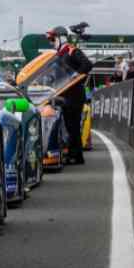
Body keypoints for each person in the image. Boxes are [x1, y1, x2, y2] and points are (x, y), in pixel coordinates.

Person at [47, 26, 93, 165]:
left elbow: (87, 64)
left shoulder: (71, 50)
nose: (51, 42)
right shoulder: (59, 53)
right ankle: (72, 154)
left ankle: (76, 156)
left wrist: (74, 78)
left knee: (73, 126)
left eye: (52, 39)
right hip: (65, 95)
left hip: (74, 95)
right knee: (68, 125)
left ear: (60, 38)